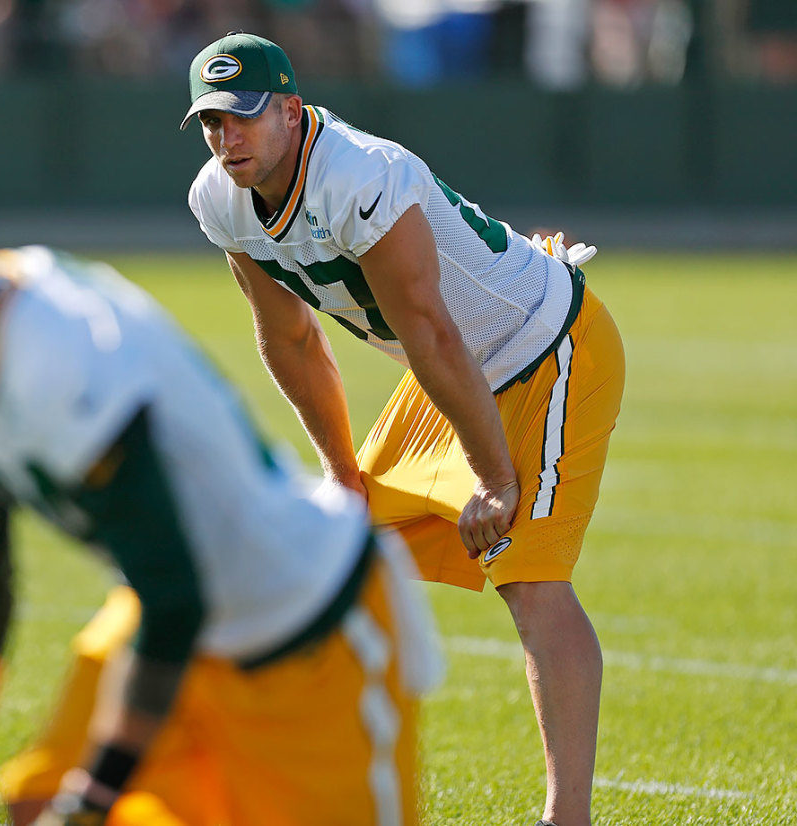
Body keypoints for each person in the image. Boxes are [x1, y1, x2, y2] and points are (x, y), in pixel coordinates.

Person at [0, 112, 443, 826]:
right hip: (168, 614)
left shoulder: (60, 350)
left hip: (306, 626)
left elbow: (178, 593)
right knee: (34, 803)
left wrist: (99, 792)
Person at [180, 32, 625, 826]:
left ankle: (570, 816)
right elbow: (288, 339)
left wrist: (495, 478)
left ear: (290, 108)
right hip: (451, 372)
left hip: (544, 345)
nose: (227, 138)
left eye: (243, 117)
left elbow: (431, 329)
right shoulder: (218, 196)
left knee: (528, 575)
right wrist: (340, 473)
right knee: (329, 562)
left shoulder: (356, 174)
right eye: (212, 122)